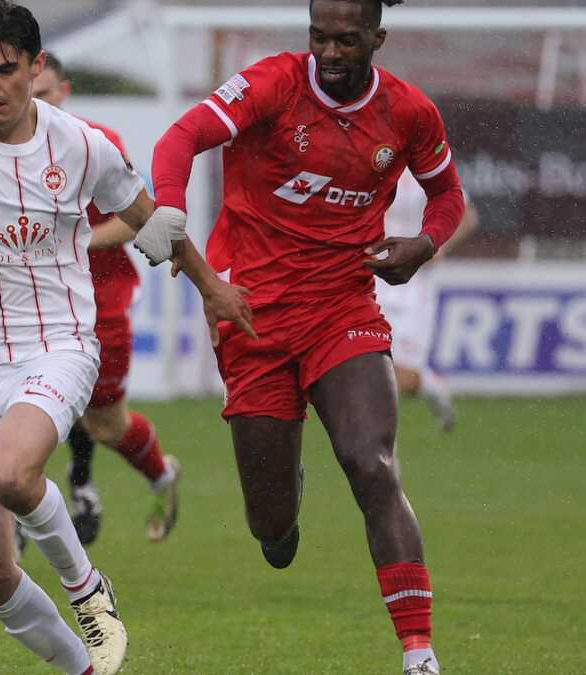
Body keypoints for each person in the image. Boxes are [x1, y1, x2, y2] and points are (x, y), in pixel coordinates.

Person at [0, 4, 250, 672]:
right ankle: (85, 668)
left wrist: (211, 287)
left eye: (4, 70)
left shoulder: (80, 143)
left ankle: (88, 591)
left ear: (37, 67)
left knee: (10, 473)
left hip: (57, 344)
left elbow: (150, 221)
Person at [141, 1, 463, 673]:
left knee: (372, 464)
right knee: (272, 529)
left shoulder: (408, 113)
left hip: (342, 308)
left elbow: (448, 197)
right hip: (250, 313)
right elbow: (180, 138)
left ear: (376, 38)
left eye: (347, 40)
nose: (331, 51)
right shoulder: (273, 85)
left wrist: (424, 246)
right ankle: (284, 493)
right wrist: (170, 209)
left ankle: (419, 653)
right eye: (320, 36)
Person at [0, 53, 181, 546]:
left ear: (65, 94)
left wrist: (75, 240)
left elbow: (139, 216)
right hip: (22, 314)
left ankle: (161, 475)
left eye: (46, 93)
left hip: (100, 307)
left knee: (104, 423)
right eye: (29, 93)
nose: (35, 102)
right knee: (4, 407)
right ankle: (24, 517)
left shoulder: (90, 144)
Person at [376, 172, 479, 433]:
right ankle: (385, 461)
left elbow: (468, 216)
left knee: (408, 381)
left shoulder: (426, 164)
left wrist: (440, 244)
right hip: (374, 281)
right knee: (375, 373)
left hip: (416, 284)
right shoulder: (375, 159)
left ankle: (435, 388)